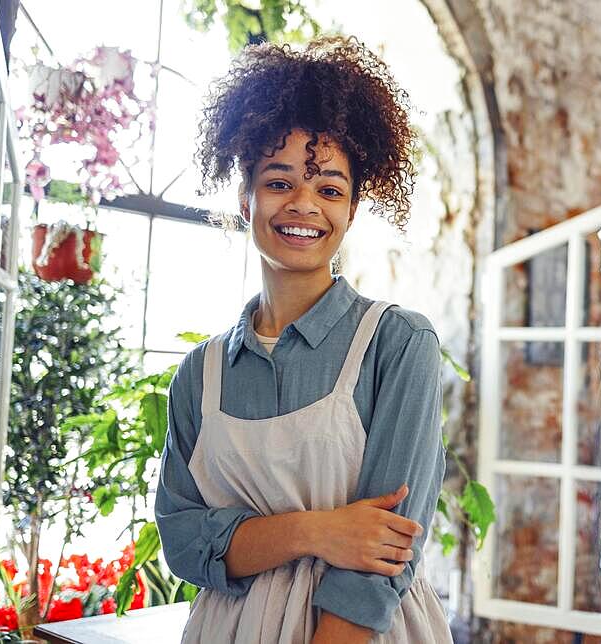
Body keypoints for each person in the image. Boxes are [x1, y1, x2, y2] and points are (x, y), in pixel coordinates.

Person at [154, 35, 452, 643]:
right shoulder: (200, 374)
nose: (304, 205)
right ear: (245, 198)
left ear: (351, 209)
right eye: (279, 181)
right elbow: (184, 545)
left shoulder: (397, 343)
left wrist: (246, 536)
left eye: (330, 189)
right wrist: (318, 531)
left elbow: (384, 557)